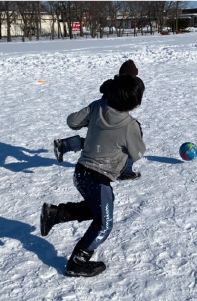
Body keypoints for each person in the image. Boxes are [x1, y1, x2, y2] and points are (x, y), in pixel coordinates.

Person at [41, 75, 146, 277]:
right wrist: (135, 132)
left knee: (96, 210)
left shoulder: (98, 105)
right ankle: (77, 262)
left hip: (81, 172)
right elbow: (138, 153)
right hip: (98, 178)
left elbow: (72, 121)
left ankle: (56, 213)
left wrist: (92, 114)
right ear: (135, 103)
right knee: (104, 224)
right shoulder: (129, 125)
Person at [53, 59, 141, 181]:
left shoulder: (114, 84)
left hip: (99, 116)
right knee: (121, 142)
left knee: (97, 142)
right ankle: (126, 170)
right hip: (106, 118)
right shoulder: (120, 88)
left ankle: (65, 145)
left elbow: (103, 89)